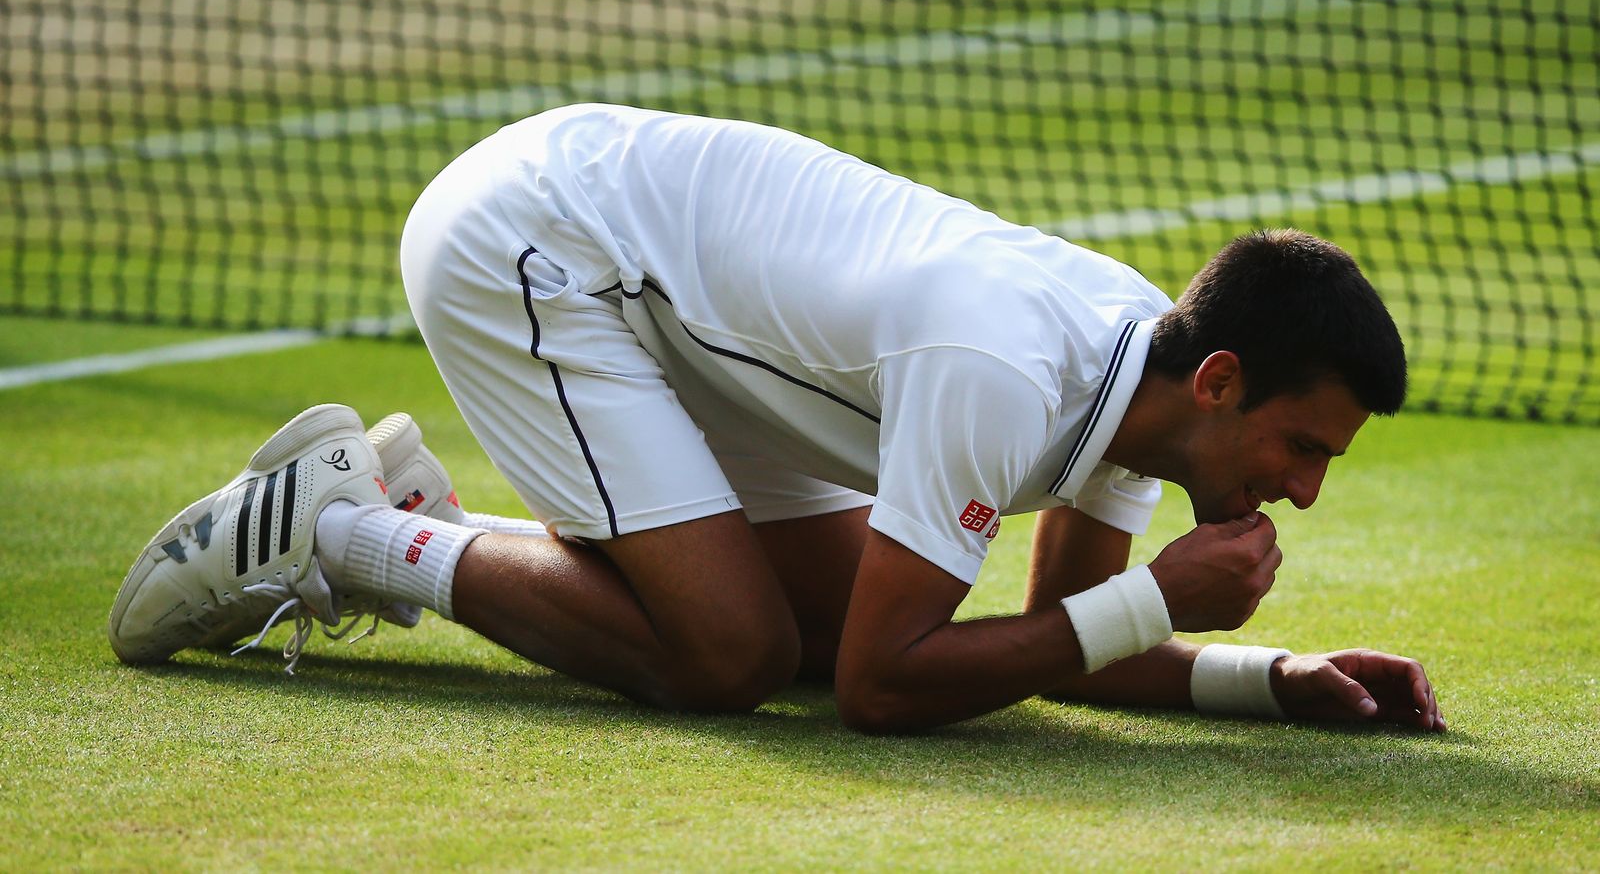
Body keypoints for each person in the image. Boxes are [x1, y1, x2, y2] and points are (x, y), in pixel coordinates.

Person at [109, 103, 1445, 734]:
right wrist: (1156, 603)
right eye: (1304, 447)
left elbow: (1056, 645)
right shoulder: (1005, 371)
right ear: (1220, 387)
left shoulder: (1141, 380)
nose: (1307, 489)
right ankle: (349, 529)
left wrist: (1270, 681)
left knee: (807, 634)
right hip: (538, 246)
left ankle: (407, 520)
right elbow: (888, 690)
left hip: (681, 311)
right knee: (731, 658)